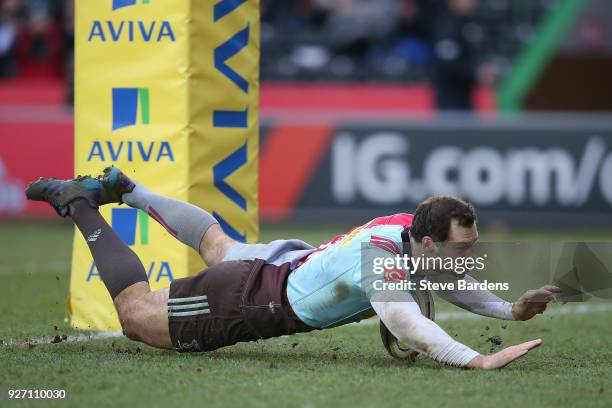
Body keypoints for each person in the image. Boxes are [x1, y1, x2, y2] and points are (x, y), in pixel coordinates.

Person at [25, 167, 559, 369]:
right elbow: (407, 326)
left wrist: (511, 311)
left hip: (290, 263)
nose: (467, 262)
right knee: (138, 316)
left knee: (215, 242)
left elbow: (447, 283)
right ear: (424, 239)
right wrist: (477, 361)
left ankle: (129, 190)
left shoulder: (409, 228)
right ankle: (79, 204)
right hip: (254, 297)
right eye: (461, 249)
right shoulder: (384, 262)